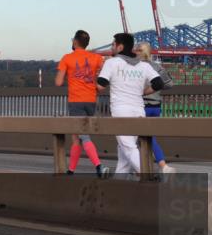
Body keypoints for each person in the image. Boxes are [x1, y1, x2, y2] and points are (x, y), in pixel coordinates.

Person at [98, 33, 164, 177]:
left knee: (128, 147)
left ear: (120, 46)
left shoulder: (112, 62)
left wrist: (87, 82)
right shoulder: (143, 65)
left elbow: (101, 85)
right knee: (123, 152)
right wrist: (143, 92)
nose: (111, 47)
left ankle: (148, 176)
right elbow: (159, 83)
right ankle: (119, 184)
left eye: (113, 44)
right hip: (139, 111)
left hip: (121, 111)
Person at [55, 30, 110, 177]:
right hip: (91, 100)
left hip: (76, 101)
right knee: (76, 137)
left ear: (74, 42)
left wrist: (69, 76)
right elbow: (106, 73)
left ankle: (99, 166)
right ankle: (71, 170)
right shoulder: (96, 58)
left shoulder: (67, 58)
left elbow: (58, 82)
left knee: (83, 135)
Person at [135, 42, 175, 175]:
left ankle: (151, 167)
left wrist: (147, 90)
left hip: (143, 105)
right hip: (156, 106)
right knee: (150, 137)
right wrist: (157, 89)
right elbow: (170, 84)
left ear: (141, 52)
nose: (135, 52)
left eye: (137, 50)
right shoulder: (158, 67)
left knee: (136, 138)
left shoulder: (137, 67)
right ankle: (156, 166)